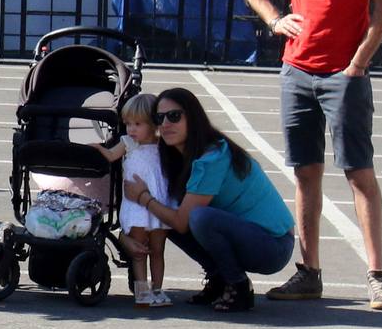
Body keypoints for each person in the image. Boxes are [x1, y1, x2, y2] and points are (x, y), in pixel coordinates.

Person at [238, 0, 382, 310]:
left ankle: (377, 276)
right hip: (297, 70)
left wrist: (358, 64)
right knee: (305, 174)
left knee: (358, 173)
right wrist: (275, 19)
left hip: (343, 74)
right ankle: (309, 274)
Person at [125, 87, 296, 313]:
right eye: (159, 118)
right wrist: (125, 236)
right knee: (169, 211)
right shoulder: (174, 155)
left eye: (174, 116)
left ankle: (238, 286)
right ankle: (219, 279)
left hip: (273, 245)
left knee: (197, 217)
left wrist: (143, 197)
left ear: (193, 118)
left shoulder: (212, 156)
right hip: (245, 233)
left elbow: (181, 222)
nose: (165, 124)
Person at [95, 93, 171, 307]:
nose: (131, 129)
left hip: (158, 203)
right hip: (136, 205)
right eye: (128, 124)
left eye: (138, 124)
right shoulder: (128, 143)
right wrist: (99, 148)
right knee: (139, 252)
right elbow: (111, 156)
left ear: (153, 123)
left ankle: (157, 289)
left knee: (158, 250)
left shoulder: (162, 143)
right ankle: (141, 291)